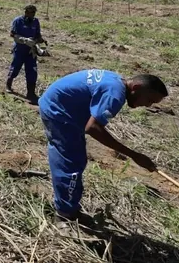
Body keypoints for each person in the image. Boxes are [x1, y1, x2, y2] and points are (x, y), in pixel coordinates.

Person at [39, 70, 166, 225]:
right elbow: (92, 128)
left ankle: (69, 208)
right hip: (59, 112)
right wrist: (134, 155)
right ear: (136, 87)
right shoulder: (115, 94)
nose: (147, 105)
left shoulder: (115, 80)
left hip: (60, 106)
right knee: (70, 164)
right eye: (149, 99)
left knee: (75, 159)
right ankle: (64, 214)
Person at [7, 4, 46, 103]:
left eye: (33, 12)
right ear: (25, 12)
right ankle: (8, 85)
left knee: (32, 71)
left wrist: (39, 40)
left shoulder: (35, 22)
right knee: (15, 67)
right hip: (20, 49)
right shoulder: (18, 21)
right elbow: (12, 34)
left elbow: (38, 34)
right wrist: (23, 40)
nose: (31, 14)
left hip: (31, 51)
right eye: (29, 12)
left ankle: (31, 93)